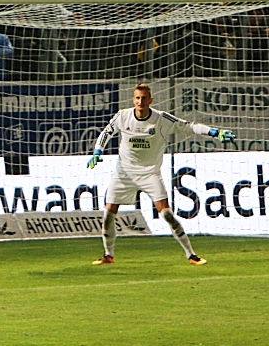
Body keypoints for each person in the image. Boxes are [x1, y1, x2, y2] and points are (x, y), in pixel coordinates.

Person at [88, 83, 235, 266]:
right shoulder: (123, 116)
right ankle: (108, 255)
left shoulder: (161, 119)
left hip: (150, 173)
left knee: (166, 214)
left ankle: (191, 255)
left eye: (144, 98)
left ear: (151, 99)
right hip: (124, 172)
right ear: (133, 99)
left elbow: (188, 126)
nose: (140, 101)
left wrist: (214, 132)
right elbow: (106, 132)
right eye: (137, 98)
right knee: (109, 213)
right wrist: (97, 151)